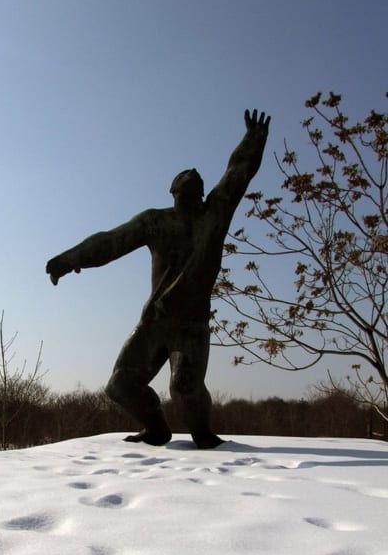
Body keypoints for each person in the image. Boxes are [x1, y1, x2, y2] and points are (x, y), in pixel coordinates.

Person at [46, 109, 270, 448]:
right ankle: (156, 428)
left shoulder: (214, 215)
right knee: (120, 385)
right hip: (155, 321)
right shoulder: (155, 222)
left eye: (195, 186)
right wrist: (70, 259)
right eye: (185, 185)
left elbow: (237, 173)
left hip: (191, 325)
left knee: (185, 388)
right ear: (173, 192)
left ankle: (205, 436)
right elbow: (110, 242)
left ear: (200, 192)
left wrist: (254, 139)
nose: (191, 185)